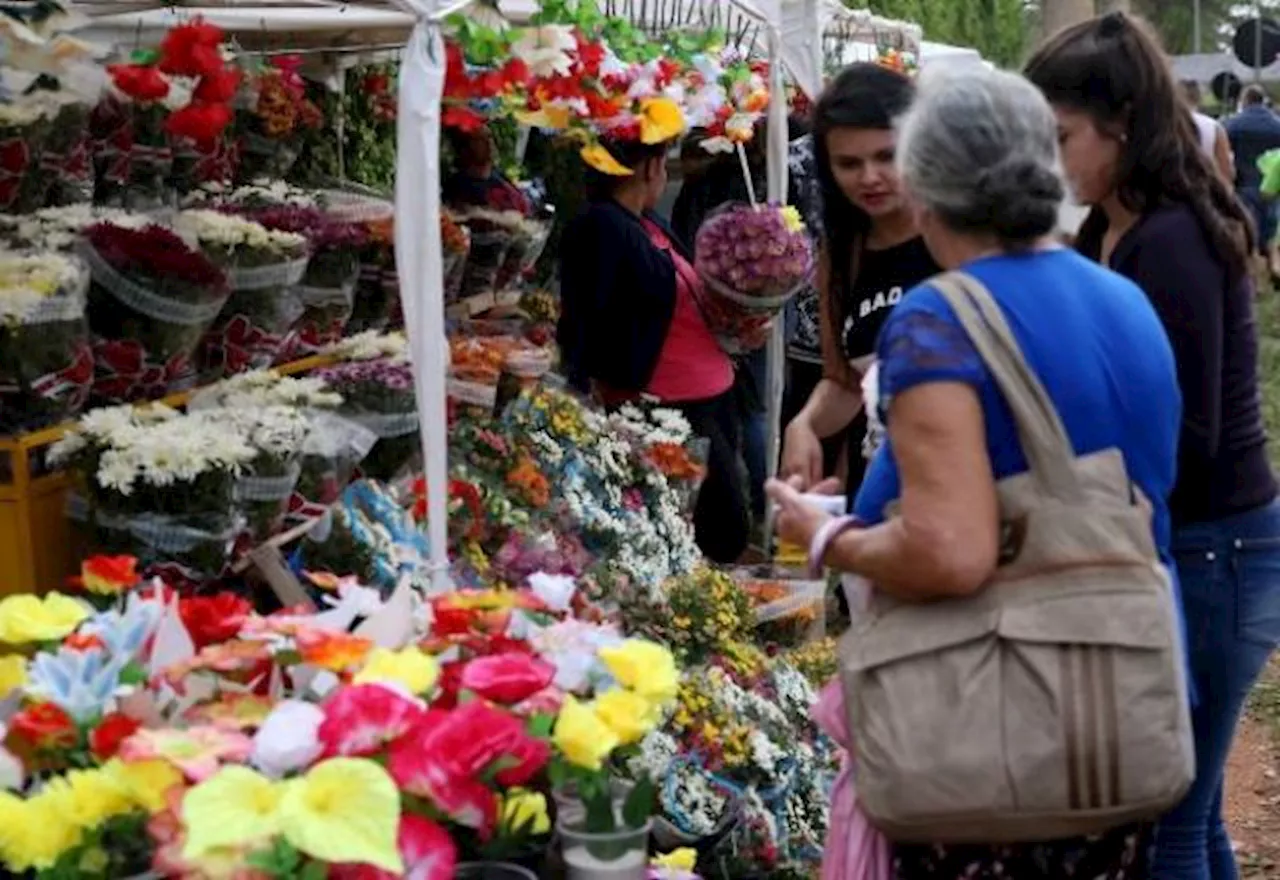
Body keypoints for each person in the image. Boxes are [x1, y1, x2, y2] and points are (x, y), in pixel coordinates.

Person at [769, 64, 1181, 880]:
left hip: (999, 726)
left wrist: (829, 537)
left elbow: (951, 552)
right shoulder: (1121, 298)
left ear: (925, 181)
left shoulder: (939, 317)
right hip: (1117, 709)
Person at [1027, 13, 1280, 879]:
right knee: (1191, 814)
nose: (1049, 158)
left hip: (1218, 551)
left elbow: (1191, 436)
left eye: (1061, 136)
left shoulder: (1170, 239)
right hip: (1186, 545)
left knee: (1168, 818)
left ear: (1122, 125)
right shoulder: (1107, 230)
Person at [557, 133, 751, 564]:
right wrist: (584, 387)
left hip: (703, 397)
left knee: (713, 523)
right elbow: (586, 315)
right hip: (664, 405)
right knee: (719, 525)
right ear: (650, 167)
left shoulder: (644, 221)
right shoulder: (604, 225)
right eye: (665, 162)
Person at [779, 63, 941, 504]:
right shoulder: (844, 254)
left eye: (886, 156)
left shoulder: (956, 236)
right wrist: (804, 424)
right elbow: (845, 382)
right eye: (849, 163)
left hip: (958, 484)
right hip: (881, 489)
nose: (869, 177)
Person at [1224, 84, 1280, 277]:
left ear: (1245, 100)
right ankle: (1274, 266)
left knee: (1249, 230)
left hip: (1245, 185)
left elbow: (1225, 151)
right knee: (1272, 230)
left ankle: (1252, 276)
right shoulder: (1276, 124)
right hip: (1272, 185)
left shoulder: (1233, 124)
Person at [442, 125, 531, 216]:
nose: (489, 143)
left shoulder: (501, 177)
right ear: (465, 148)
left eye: (489, 137)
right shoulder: (458, 186)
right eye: (480, 139)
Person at [1182, 80, 1235, 182]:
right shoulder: (1214, 126)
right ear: (1198, 98)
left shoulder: (1163, 126)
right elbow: (1226, 171)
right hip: (1204, 189)